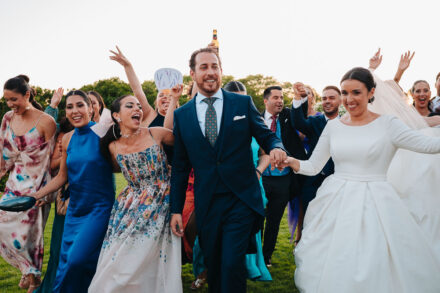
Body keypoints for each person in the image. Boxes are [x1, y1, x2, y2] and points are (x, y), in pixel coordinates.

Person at [283, 67, 440, 292]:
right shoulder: (334, 127)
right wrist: (291, 161)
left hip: (378, 202)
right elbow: (313, 166)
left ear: (371, 92)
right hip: (336, 201)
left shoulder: (389, 124)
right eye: (345, 93)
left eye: (356, 92)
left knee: (376, 259)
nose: (349, 99)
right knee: (338, 257)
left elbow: (429, 145)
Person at [170, 47, 286, 293]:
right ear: (193, 73)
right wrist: (176, 210)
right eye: (204, 67)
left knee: (233, 263)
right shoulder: (182, 115)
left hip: (241, 199)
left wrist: (276, 146)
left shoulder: (242, 103)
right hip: (208, 202)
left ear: (221, 71)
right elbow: (180, 168)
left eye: (215, 67)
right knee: (215, 263)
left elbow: (265, 135)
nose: (210, 72)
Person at [88, 91, 182, 292]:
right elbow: (112, 168)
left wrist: (174, 100)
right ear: (117, 116)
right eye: (130, 106)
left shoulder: (155, 133)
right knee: (119, 254)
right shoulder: (112, 147)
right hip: (129, 205)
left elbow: (181, 142)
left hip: (161, 201)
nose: (137, 109)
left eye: (139, 106)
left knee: (147, 255)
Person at [30, 89, 115, 293]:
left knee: (78, 260)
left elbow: (119, 164)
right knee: (66, 263)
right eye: (70, 106)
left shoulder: (103, 133)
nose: (75, 110)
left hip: (99, 208)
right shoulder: (67, 138)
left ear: (91, 108)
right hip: (74, 211)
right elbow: (62, 176)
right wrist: (36, 195)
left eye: (80, 105)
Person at [0, 75, 56, 292]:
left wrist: (46, 193)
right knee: (3, 227)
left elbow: (52, 161)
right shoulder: (7, 118)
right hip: (15, 183)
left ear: (27, 95)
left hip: (37, 189)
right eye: (7, 100)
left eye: (14, 99)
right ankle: (28, 271)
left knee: (29, 238)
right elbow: (3, 156)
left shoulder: (46, 122)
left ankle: (32, 277)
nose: (11, 105)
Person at [261, 85, 307, 267]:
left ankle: (266, 257)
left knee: (274, 220)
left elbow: (300, 114)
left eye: (281, 98)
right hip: (262, 177)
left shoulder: (288, 116)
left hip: (283, 179)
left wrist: (299, 97)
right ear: (266, 101)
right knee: (257, 219)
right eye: (275, 98)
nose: (280, 101)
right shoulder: (256, 119)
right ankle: (254, 257)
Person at [290, 83, 341, 242]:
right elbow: (298, 122)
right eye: (324, 98)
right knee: (309, 221)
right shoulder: (314, 122)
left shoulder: (347, 123)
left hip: (337, 180)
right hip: (312, 181)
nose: (327, 101)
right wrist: (298, 98)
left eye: (332, 98)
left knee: (334, 221)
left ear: (340, 100)